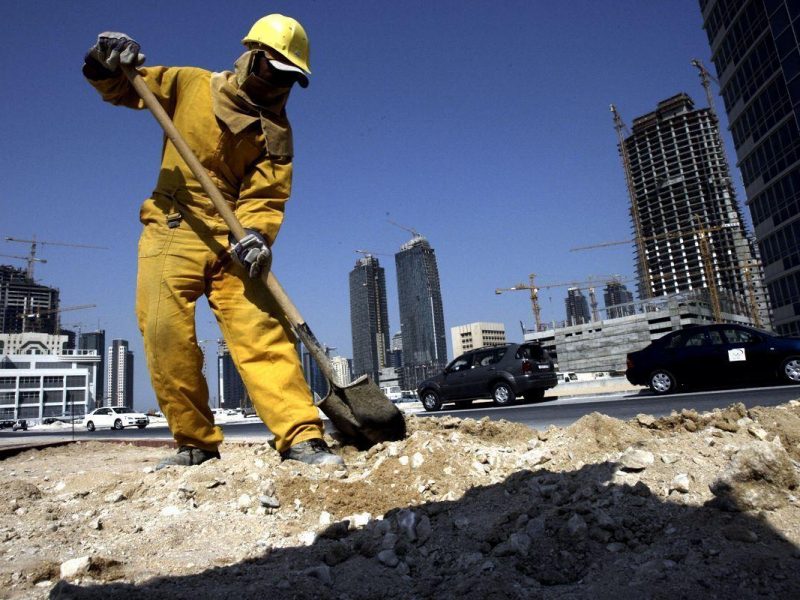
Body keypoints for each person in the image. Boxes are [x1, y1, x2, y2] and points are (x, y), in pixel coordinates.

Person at [82, 14, 343, 468]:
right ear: (252, 56)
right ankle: (195, 443)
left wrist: (257, 236)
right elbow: (125, 87)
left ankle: (301, 436)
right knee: (165, 332)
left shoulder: (276, 132)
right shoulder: (192, 85)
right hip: (174, 224)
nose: (278, 85)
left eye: (290, 79)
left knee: (261, 333)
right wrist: (105, 62)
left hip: (235, 239)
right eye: (274, 71)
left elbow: (267, 194)